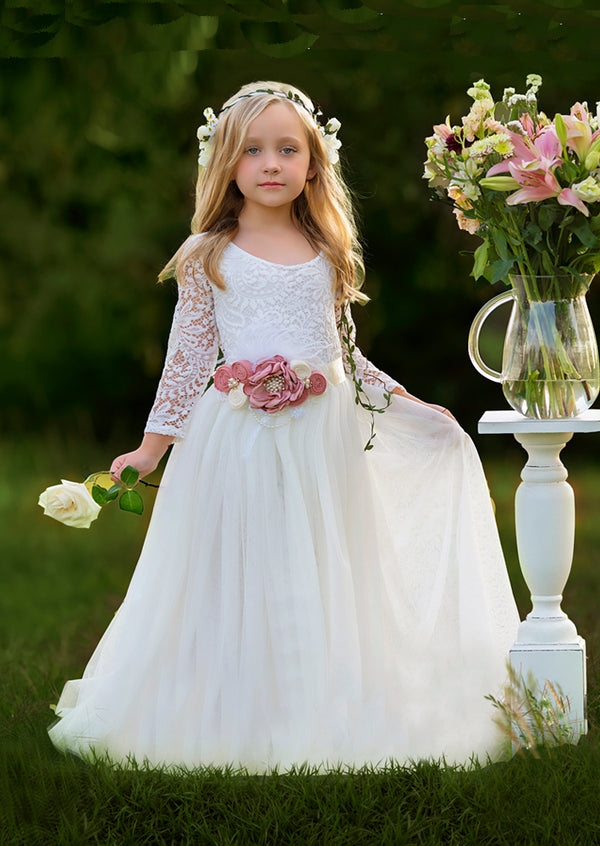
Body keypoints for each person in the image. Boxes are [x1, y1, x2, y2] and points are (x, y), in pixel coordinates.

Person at [48, 81, 519, 772]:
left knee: (322, 562)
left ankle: (316, 697)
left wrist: (412, 403)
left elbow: (344, 354)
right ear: (228, 165)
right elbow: (185, 359)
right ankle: (234, 703)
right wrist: (151, 449)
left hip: (323, 437)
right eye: (253, 151)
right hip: (236, 438)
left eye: (287, 149)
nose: (271, 164)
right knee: (243, 563)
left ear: (313, 163)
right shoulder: (208, 252)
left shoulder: (325, 248)